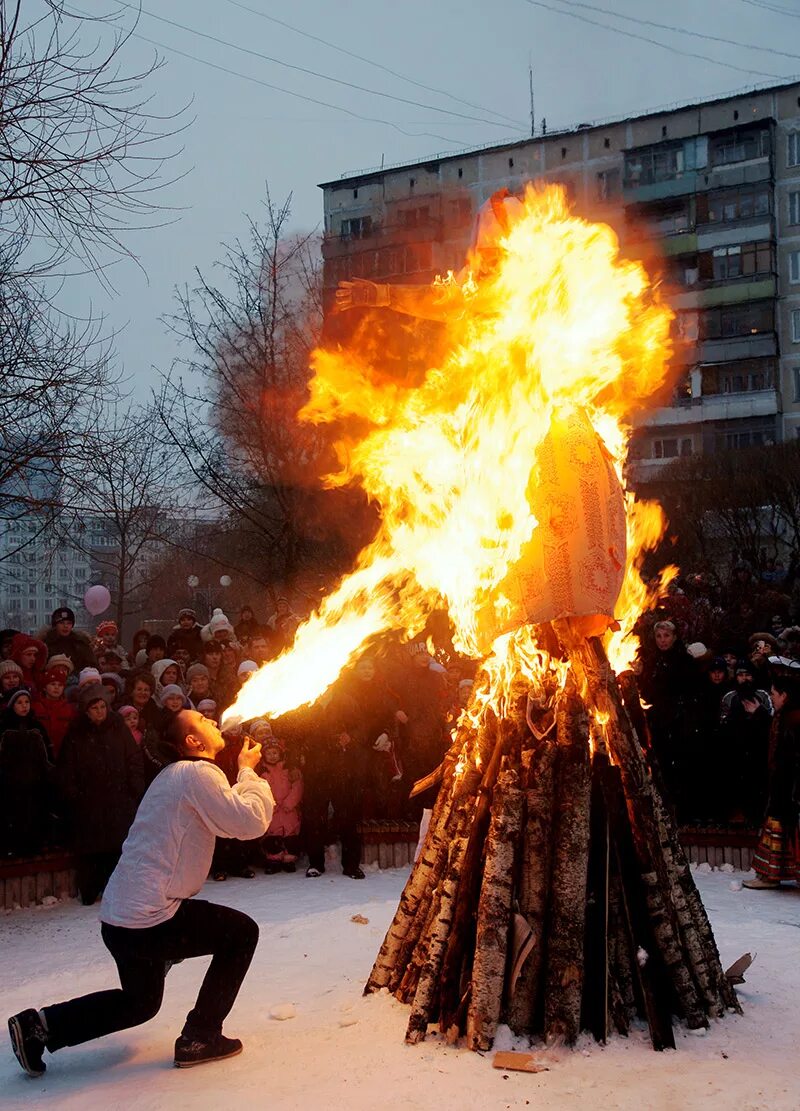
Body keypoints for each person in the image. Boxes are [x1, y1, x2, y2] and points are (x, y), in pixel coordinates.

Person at [8, 711, 273, 1076]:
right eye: (202, 719)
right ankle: (201, 1036)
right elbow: (247, 822)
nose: (212, 720)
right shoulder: (197, 773)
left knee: (140, 1002)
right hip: (149, 919)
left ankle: (38, 1027)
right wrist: (247, 771)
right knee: (241, 933)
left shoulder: (174, 776)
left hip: (121, 919)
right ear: (193, 743)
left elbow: (225, 815)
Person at [57, 684, 145, 905]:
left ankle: (117, 890)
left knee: (118, 847)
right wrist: (74, 795)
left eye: (102, 707)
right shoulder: (76, 732)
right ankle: (90, 889)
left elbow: (133, 759)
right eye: (94, 708)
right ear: (86, 711)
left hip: (118, 799)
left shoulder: (117, 728)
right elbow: (67, 768)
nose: (99, 712)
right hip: (89, 801)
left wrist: (134, 789)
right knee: (91, 849)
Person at [744, 658, 800, 889]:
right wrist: (759, 715)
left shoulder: (794, 719)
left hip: (790, 787)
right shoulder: (785, 716)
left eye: (774, 694)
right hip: (784, 784)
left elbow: (792, 754)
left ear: (785, 696)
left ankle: (771, 875)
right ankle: (770, 874)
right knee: (782, 828)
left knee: (784, 828)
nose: (772, 697)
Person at [0, 689, 53, 857]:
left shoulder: (37, 728)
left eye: (27, 702)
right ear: (11, 705)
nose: (24, 706)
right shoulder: (4, 729)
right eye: (19, 703)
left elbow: (47, 757)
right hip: (10, 784)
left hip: (35, 783)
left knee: (34, 816)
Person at [256, 725, 303, 874]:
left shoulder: (289, 770)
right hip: (273, 811)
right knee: (272, 836)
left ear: (280, 753)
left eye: (275, 753)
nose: (272, 756)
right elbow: (261, 790)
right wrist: (270, 804)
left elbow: (297, 786)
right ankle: (274, 859)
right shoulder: (262, 773)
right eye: (269, 753)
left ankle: (289, 859)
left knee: (291, 836)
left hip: (289, 811)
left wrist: (290, 803)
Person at [33, 665, 77, 761]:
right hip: (40, 755)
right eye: (53, 684)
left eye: (60, 685)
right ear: (44, 687)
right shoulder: (36, 707)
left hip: (62, 755)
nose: (56, 688)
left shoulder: (69, 708)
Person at [43, 607, 96, 672]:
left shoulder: (80, 643)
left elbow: (92, 666)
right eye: (61, 623)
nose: (66, 626)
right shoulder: (46, 644)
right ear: (55, 625)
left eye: (69, 623)